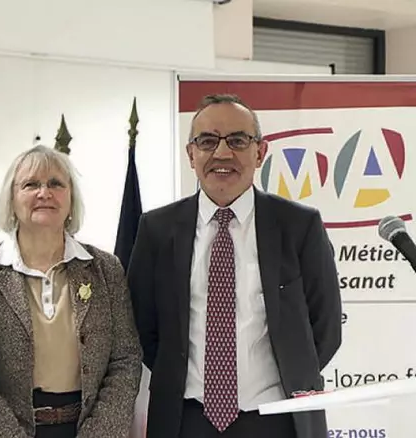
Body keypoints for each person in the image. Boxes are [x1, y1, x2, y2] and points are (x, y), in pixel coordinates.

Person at [128, 94, 342, 438]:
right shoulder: (156, 230)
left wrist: (293, 373)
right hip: (186, 421)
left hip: (279, 421)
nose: (222, 154)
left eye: (238, 140)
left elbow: (325, 327)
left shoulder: (300, 225)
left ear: (260, 152)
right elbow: (143, 327)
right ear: (191, 154)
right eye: (207, 141)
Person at [0, 145, 143, 438]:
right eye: (31, 184)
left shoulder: (106, 269)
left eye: (56, 184)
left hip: (85, 429)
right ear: (12, 200)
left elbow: (126, 360)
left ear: (70, 199)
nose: (44, 193)